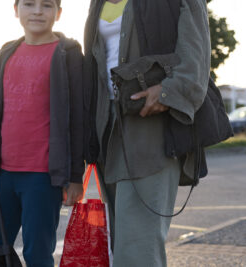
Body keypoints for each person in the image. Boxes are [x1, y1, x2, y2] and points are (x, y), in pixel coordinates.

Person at [0, 0, 84, 266]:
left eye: (47, 5)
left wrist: (74, 176)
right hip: (3, 174)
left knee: (37, 255)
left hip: (43, 176)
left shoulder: (67, 53)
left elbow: (78, 118)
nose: (37, 11)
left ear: (58, 14)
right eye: (29, 4)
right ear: (16, 10)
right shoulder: (6, 53)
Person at [83, 0, 211, 266]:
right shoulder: (97, 3)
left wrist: (166, 92)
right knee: (122, 244)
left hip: (151, 127)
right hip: (108, 127)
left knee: (137, 250)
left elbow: (195, 61)